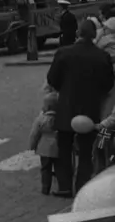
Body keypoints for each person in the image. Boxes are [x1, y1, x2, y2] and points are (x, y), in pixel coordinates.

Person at [46, 19, 115, 197]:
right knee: (86, 151)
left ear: (78, 33)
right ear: (94, 35)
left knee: (64, 149)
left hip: (66, 108)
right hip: (90, 109)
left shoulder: (63, 53)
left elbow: (52, 79)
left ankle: (65, 186)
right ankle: (83, 185)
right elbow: (108, 84)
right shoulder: (102, 56)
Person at [30, 87, 59, 196]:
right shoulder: (61, 118)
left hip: (44, 148)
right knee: (59, 168)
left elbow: (35, 134)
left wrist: (32, 145)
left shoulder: (41, 119)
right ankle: (62, 186)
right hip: (58, 146)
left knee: (45, 169)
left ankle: (45, 188)